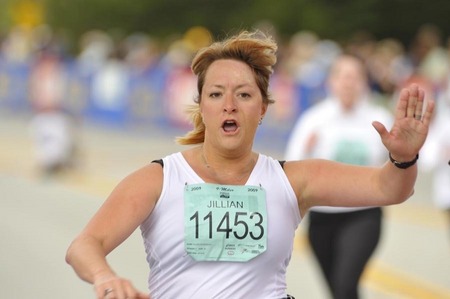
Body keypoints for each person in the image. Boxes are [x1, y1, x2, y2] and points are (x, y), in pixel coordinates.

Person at [65, 30, 435, 299]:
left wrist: (403, 157)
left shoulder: (292, 179)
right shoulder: (158, 179)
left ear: (262, 110)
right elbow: (84, 245)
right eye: (215, 94)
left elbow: (390, 188)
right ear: (202, 107)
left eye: (243, 94)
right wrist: (105, 277)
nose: (229, 104)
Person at [284, 54, 394, 299]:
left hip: (363, 215)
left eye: (355, 77)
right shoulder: (314, 120)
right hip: (322, 218)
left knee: (345, 285)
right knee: (339, 291)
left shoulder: (380, 120)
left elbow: (398, 166)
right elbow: (291, 165)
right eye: (342, 76)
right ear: (331, 82)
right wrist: (307, 150)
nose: (348, 83)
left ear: (365, 82)